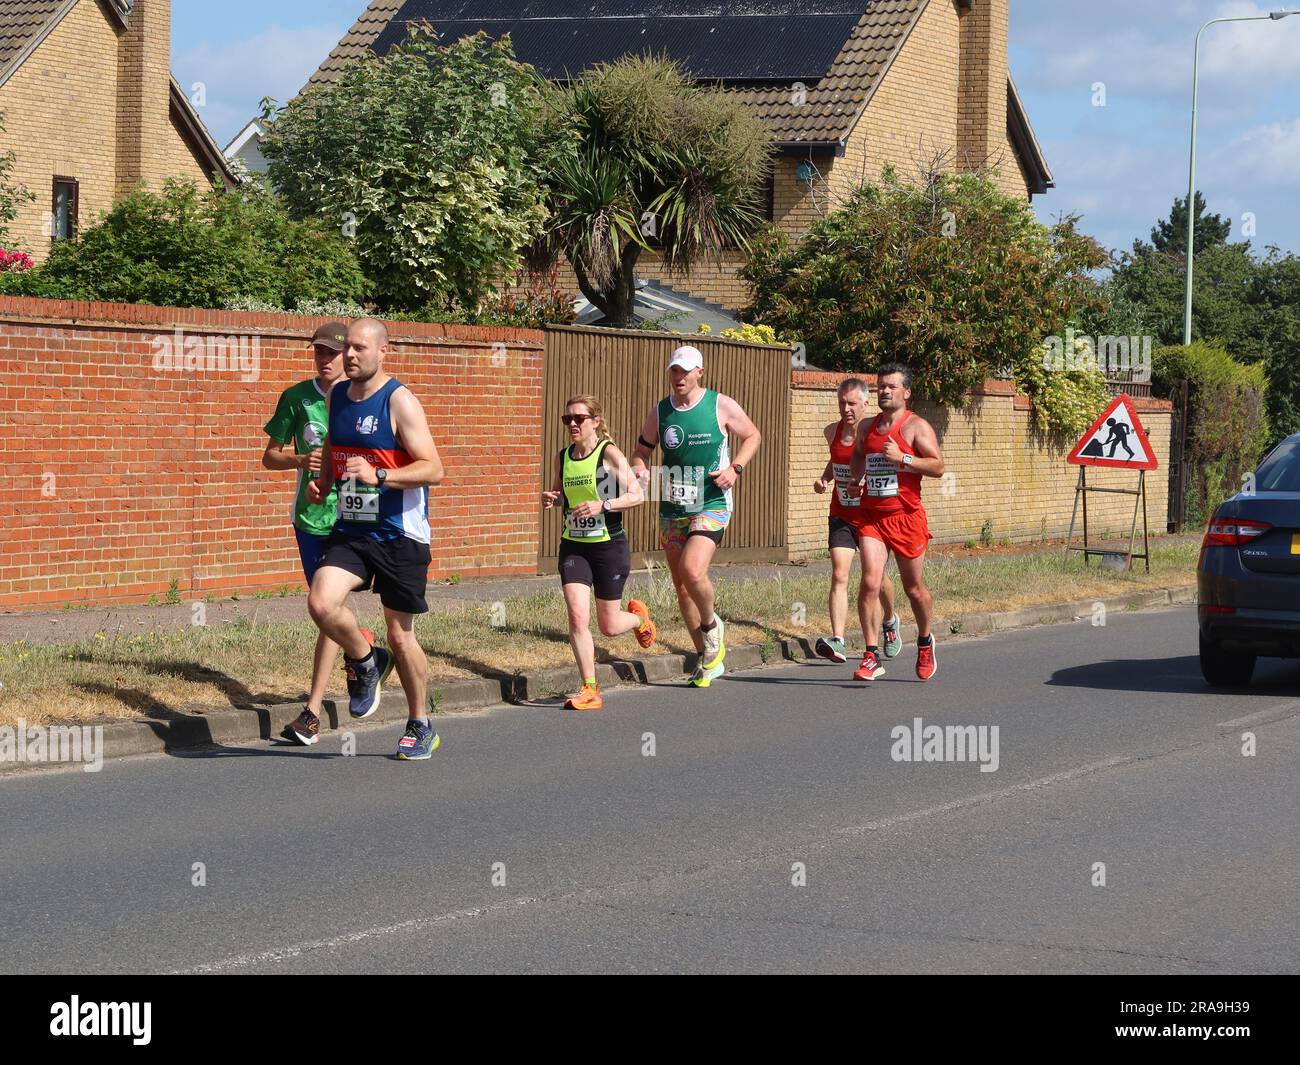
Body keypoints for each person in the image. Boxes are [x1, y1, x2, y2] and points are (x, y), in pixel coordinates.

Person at [304, 318, 447, 759]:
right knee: (321, 603)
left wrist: (380, 474)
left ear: (383, 351)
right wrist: (326, 481)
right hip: (352, 526)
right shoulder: (336, 396)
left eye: (360, 349)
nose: (349, 355)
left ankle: (420, 722)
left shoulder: (399, 401)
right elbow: (334, 445)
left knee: (401, 635)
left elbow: (433, 469)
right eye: (347, 348)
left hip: (399, 534)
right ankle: (367, 659)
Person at [630, 345, 761, 688]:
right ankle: (707, 658)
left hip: (712, 501)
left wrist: (736, 467)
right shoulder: (661, 411)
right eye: (675, 371)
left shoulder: (720, 404)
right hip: (673, 506)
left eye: (685, 371)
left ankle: (711, 626)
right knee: (682, 587)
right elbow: (642, 449)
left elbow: (753, 435)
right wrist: (640, 469)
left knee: (692, 570)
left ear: (700, 372)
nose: (679, 377)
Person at [264, 322, 353, 745]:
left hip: (354, 518)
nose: (324, 359)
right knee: (325, 612)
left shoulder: (364, 399)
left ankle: (313, 711)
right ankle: (363, 653)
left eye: (331, 352)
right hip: (311, 518)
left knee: (328, 606)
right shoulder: (296, 398)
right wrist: (301, 461)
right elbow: (269, 457)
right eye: (318, 351)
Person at [542, 395, 656, 711]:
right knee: (578, 615)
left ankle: (638, 620)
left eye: (579, 418)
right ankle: (590, 689)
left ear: (596, 421)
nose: (573, 424)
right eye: (568, 420)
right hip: (574, 546)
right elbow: (563, 495)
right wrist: (553, 499)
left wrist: (603, 504)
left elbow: (637, 495)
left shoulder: (608, 454)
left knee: (608, 626)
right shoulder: (563, 456)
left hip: (609, 545)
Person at [848, 363, 944, 682]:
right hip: (872, 515)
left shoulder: (916, 426)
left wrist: (902, 458)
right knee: (870, 581)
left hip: (906, 516)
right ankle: (871, 655)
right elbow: (859, 455)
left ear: (906, 392)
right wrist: (856, 478)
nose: (885, 391)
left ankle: (925, 640)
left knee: (913, 588)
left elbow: (937, 466)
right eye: (881, 386)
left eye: (891, 386)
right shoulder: (866, 428)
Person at [812, 378, 903, 673]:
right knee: (839, 574)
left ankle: (890, 619)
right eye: (842, 403)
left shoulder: (876, 434)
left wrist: (865, 485)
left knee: (874, 578)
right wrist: (826, 479)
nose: (846, 409)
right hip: (840, 513)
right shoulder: (832, 431)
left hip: (869, 516)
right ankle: (838, 639)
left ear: (865, 403)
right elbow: (836, 460)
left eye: (852, 403)